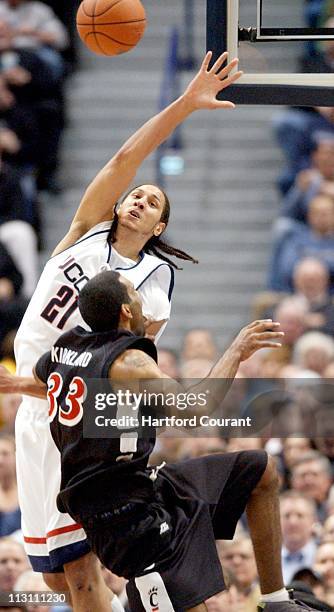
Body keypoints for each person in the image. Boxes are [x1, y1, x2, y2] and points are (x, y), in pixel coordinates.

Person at [12, 51, 243, 612]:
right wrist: (185, 105)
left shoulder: (153, 278)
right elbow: (126, 154)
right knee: (53, 579)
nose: (140, 197)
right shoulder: (86, 232)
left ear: (160, 226)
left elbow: (137, 359)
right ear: (118, 206)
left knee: (80, 566)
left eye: (153, 201)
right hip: (32, 402)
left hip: (77, 414)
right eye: (135, 194)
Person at [1, 269, 320, 611]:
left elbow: (49, 383)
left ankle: (275, 601)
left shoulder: (66, 348)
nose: (144, 307)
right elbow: (195, 410)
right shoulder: (129, 360)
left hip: (141, 490)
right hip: (125, 518)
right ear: (126, 311)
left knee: (259, 469)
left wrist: (17, 385)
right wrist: (236, 351)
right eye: (137, 298)